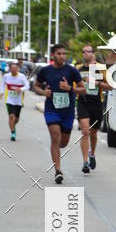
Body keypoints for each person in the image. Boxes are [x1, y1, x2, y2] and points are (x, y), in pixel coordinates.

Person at [34, 44, 85, 184]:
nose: (62, 56)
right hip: (52, 110)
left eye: (64, 53)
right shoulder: (45, 71)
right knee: (55, 137)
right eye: (59, 54)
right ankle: (57, 170)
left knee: (63, 143)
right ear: (53, 55)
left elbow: (83, 89)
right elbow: (36, 86)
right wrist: (44, 92)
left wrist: (69, 88)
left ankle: (56, 152)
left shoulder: (72, 71)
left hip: (67, 112)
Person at [76, 43, 108, 174]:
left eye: (87, 51)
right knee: (85, 131)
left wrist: (98, 83)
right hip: (82, 101)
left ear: (93, 53)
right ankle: (85, 162)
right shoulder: (78, 68)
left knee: (93, 133)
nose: (85, 54)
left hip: (96, 103)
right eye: (83, 52)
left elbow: (110, 86)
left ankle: (92, 154)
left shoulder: (100, 69)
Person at [0, 60, 29, 141]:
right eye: (12, 69)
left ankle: (12, 126)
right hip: (9, 100)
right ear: (10, 69)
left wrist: (21, 89)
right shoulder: (6, 76)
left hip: (19, 101)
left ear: (18, 69)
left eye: (15, 69)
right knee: (11, 116)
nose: (13, 70)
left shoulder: (22, 77)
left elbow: (27, 86)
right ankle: (13, 132)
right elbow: (2, 84)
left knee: (16, 119)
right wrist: (2, 92)